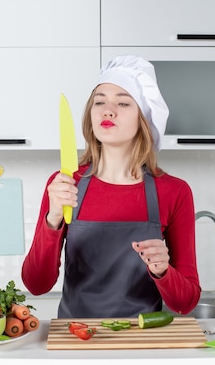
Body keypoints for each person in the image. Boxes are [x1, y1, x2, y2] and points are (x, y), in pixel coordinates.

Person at [21, 55, 201, 318]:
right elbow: (36, 285)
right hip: (77, 340)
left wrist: (163, 271)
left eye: (123, 102)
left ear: (144, 119)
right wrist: (54, 218)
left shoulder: (174, 192)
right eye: (100, 101)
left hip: (141, 343)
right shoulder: (64, 183)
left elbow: (185, 302)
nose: (108, 110)